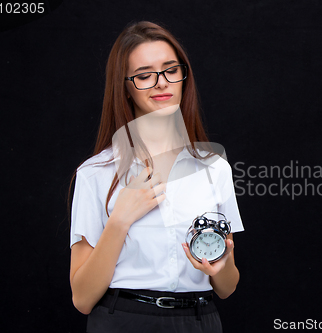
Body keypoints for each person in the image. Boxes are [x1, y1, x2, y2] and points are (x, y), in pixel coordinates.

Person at [69, 21, 243, 333]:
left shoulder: (215, 168)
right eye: (144, 75)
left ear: (183, 76)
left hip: (199, 321)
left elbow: (226, 287)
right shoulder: (95, 173)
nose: (161, 83)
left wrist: (222, 264)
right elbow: (82, 298)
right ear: (125, 87)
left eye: (170, 70)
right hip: (124, 321)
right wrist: (119, 221)